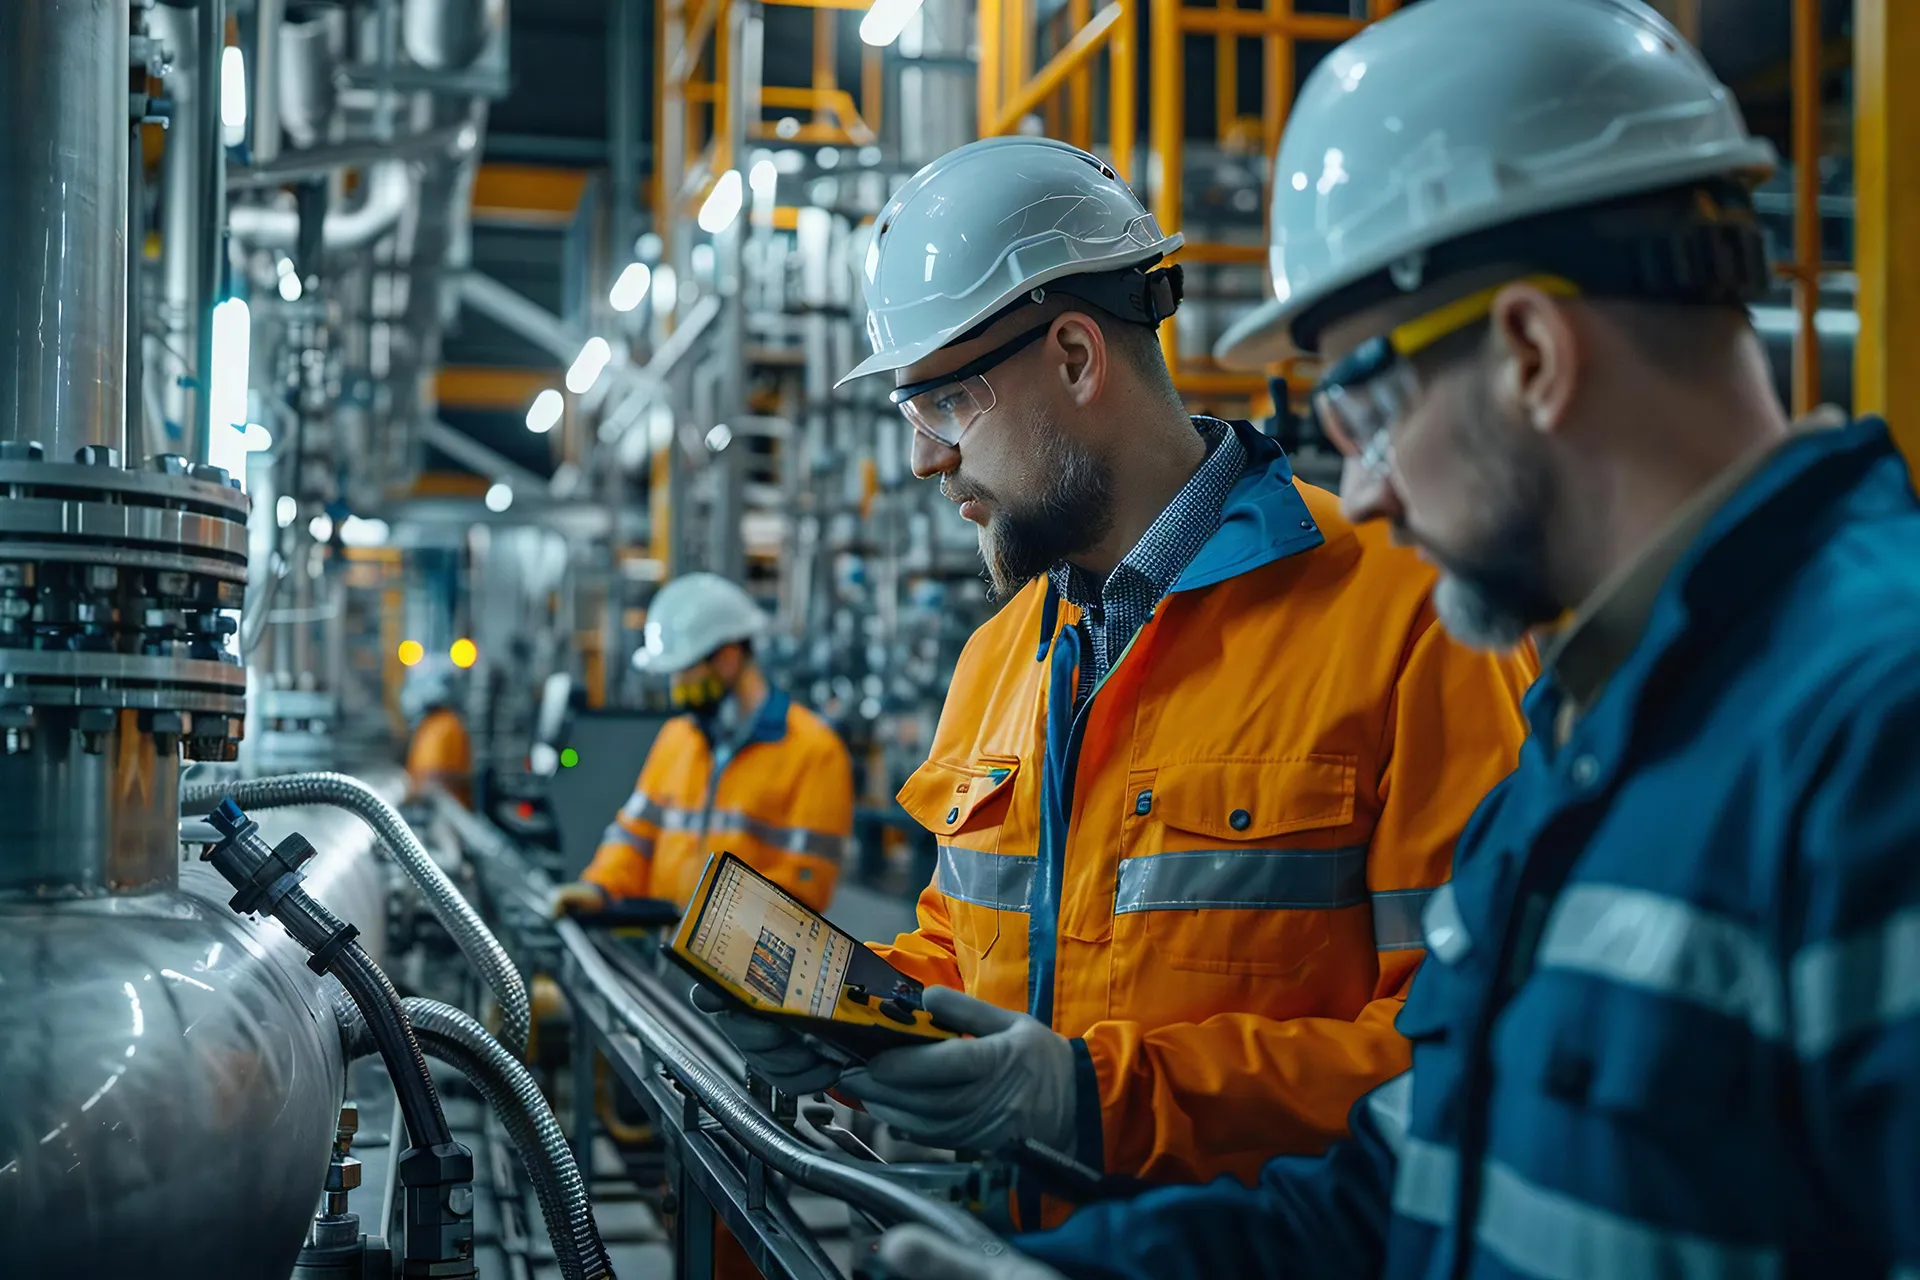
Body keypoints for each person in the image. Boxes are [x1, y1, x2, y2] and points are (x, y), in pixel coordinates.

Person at [874, 1, 1920, 1276]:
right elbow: (1410, 1180)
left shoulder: (1873, 730)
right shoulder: (1604, 735)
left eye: (1363, 405)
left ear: (1531, 352)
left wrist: (1100, 1099)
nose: (1357, 488)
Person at [699, 133, 1537, 1226]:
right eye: (911, 416)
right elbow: (969, 936)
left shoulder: (1408, 618)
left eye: (945, 406)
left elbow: (1462, 1051)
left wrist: (1095, 1101)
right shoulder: (1000, 657)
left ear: (1078, 358)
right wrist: (853, 1013)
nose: (922, 460)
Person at [550, 572, 854, 915]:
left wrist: (709, 930)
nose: (675, 685)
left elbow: (808, 880)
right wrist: (599, 888)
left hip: (746, 963)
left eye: (684, 670)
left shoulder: (814, 751)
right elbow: (636, 835)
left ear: (726, 658)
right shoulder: (677, 738)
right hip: (667, 956)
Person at [402, 656, 473, 807]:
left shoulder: (449, 725)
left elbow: (450, 775)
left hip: (449, 811)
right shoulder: (428, 726)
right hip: (432, 808)